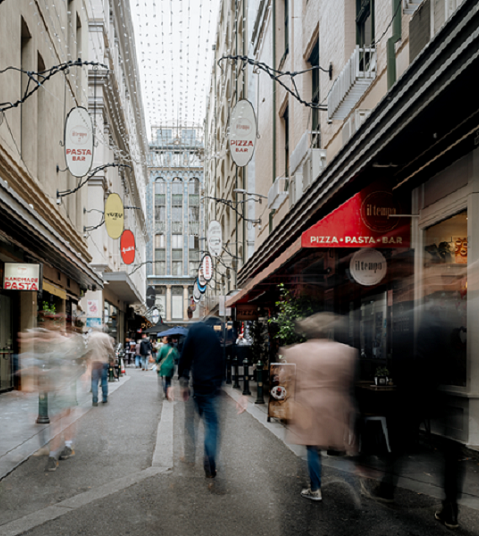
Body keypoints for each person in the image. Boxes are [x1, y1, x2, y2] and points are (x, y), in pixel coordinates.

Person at [281, 313, 357, 501]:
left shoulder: (295, 351)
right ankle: (354, 489)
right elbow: (348, 379)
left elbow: (284, 379)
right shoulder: (344, 351)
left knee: (312, 447)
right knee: (339, 445)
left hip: (308, 405)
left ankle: (315, 488)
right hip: (334, 405)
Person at [177, 319, 225, 478]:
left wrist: (183, 384)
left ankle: (190, 458)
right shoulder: (214, 337)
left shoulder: (194, 331)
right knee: (212, 425)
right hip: (212, 387)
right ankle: (210, 459)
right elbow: (221, 360)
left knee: (190, 421)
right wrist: (220, 384)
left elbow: (184, 357)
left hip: (195, 385)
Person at [87, 327, 115, 406]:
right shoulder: (105, 336)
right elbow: (110, 349)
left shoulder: (90, 336)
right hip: (103, 361)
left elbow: (87, 350)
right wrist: (112, 359)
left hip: (94, 361)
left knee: (94, 381)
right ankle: (104, 398)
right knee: (104, 380)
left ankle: (95, 400)